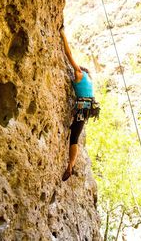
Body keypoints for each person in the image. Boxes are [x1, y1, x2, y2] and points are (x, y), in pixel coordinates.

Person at [60, 27, 98, 181]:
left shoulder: (79, 74)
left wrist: (63, 34)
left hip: (82, 108)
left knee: (74, 137)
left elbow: (69, 54)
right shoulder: (89, 79)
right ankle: (71, 164)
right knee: (75, 131)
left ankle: (71, 165)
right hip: (88, 108)